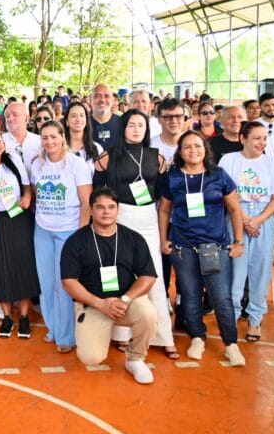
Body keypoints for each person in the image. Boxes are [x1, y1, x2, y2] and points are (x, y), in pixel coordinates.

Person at [93, 109, 178, 359]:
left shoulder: (156, 157)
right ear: (123, 128)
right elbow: (98, 190)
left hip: (149, 218)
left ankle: (163, 336)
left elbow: (161, 192)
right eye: (131, 125)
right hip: (121, 217)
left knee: (154, 276)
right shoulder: (108, 157)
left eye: (141, 125)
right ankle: (121, 333)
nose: (137, 129)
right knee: (123, 274)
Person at [156, 130, 246, 365]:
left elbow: (235, 209)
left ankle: (231, 344)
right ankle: (197, 337)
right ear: (180, 152)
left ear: (205, 149)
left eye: (197, 146)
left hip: (215, 246)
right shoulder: (173, 177)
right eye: (187, 147)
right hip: (183, 247)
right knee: (190, 295)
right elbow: (164, 210)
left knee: (221, 298)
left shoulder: (219, 175)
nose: (193, 150)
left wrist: (238, 241)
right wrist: (163, 239)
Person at [61, 188, 159, 384]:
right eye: (100, 207)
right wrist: (100, 304)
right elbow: (68, 282)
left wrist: (125, 299)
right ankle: (101, 329)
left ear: (118, 210)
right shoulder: (76, 241)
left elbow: (148, 276)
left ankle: (135, 359)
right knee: (91, 358)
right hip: (93, 304)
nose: (106, 212)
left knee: (148, 314)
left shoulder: (133, 238)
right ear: (91, 209)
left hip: (126, 302)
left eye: (111, 207)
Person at [31, 120, 93, 353]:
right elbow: (37, 195)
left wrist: (80, 234)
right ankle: (53, 329)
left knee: (64, 284)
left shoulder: (77, 164)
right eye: (45, 137)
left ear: (62, 137)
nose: (49, 142)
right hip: (43, 230)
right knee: (46, 284)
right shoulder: (37, 164)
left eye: (53, 136)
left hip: (69, 231)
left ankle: (66, 336)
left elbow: (86, 202)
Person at [219, 122, 274, 342]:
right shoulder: (228, 160)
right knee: (235, 271)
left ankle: (255, 319)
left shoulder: (271, 164)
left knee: (261, 270)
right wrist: (245, 219)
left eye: (264, 138)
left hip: (263, 218)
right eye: (256, 138)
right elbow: (224, 194)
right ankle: (232, 316)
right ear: (242, 138)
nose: (261, 143)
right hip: (236, 215)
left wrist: (258, 220)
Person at [0, 130, 40, 338]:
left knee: (23, 266)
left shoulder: (13, 160)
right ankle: (7, 317)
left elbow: (26, 186)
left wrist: (27, 197)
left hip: (19, 219)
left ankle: (23, 316)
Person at [2, 101, 42, 175]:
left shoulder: (40, 141)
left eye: (15, 115)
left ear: (27, 118)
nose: (10, 119)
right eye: (7, 116)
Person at [64, 102, 103, 169]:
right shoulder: (59, 148)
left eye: (81, 115)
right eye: (73, 116)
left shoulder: (97, 149)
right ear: (66, 121)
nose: (78, 119)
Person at [89, 84, 122, 150]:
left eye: (107, 96)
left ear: (112, 100)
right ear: (90, 100)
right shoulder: (82, 123)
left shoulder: (123, 123)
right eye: (97, 96)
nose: (102, 100)